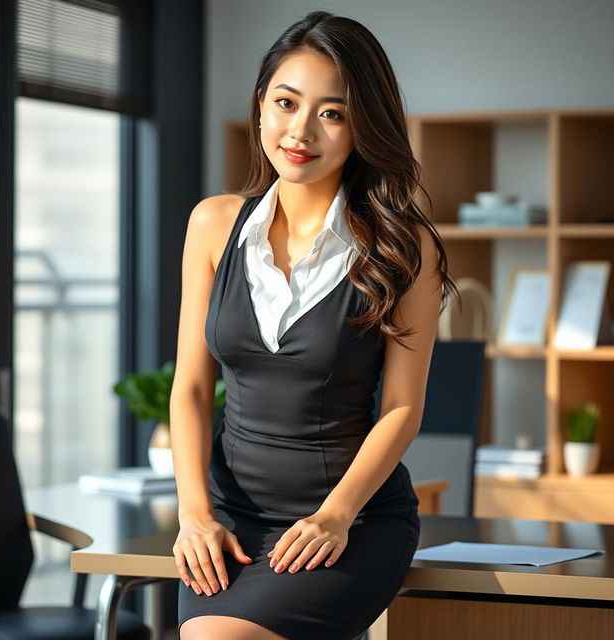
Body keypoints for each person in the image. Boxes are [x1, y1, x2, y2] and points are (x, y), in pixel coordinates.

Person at [170, 10, 459, 640]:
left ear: (364, 126)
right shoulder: (214, 224)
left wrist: (337, 516)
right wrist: (194, 515)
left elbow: (402, 410)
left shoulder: (401, 246)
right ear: (261, 106)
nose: (300, 130)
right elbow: (191, 388)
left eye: (332, 112)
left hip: (346, 525)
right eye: (286, 102)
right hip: (231, 523)